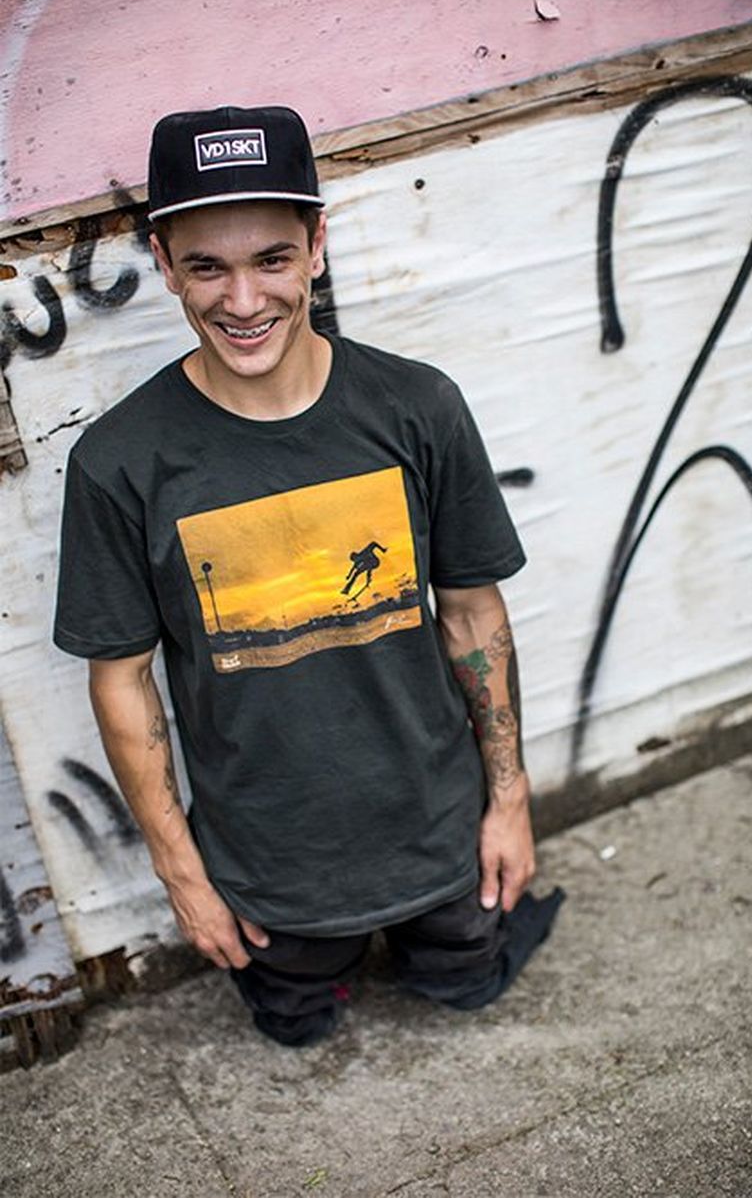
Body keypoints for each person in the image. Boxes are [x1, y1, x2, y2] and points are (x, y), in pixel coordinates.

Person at [54, 105, 563, 1047]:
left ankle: (448, 941)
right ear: (164, 263)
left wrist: (509, 801)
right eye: (207, 265)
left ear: (317, 247)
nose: (243, 300)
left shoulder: (417, 406)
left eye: (271, 259)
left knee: (468, 984)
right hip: (270, 864)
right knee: (295, 1025)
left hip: (438, 829)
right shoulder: (120, 462)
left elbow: (472, 614)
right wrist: (185, 877)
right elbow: (121, 679)